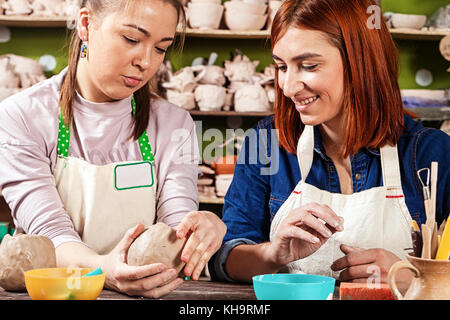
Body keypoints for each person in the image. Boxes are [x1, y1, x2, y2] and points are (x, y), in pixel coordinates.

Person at [209, 0, 449, 292]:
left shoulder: (431, 155)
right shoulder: (266, 144)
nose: (288, 86)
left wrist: (411, 279)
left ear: (362, 62)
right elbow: (227, 257)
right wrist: (273, 254)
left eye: (308, 66)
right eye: (282, 67)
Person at [0, 0, 226, 298]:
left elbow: (175, 227)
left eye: (160, 48)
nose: (146, 62)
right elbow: (50, 230)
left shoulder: (175, 125)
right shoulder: (22, 116)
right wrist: (102, 269)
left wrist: (200, 231)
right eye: (131, 39)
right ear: (85, 25)